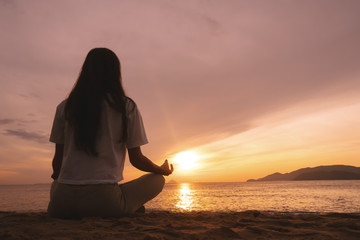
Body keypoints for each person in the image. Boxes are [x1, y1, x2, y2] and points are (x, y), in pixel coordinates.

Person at [48, 48, 174, 218]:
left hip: (60, 204)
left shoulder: (65, 107)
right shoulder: (125, 107)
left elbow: (57, 164)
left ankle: (126, 204)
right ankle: (130, 206)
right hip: (103, 202)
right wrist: (161, 170)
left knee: (64, 184)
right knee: (157, 180)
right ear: (115, 73)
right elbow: (137, 160)